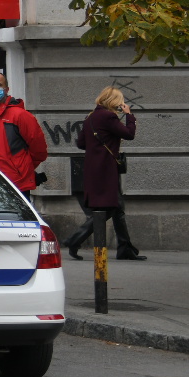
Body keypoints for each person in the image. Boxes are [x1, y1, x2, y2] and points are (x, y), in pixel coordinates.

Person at [68, 87, 144, 261]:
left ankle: (125, 248)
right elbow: (129, 134)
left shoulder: (90, 117)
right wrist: (129, 115)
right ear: (113, 101)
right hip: (106, 169)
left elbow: (81, 143)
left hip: (93, 169)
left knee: (117, 208)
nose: (121, 104)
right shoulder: (109, 117)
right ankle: (75, 240)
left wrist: (98, 145)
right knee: (109, 208)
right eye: (119, 100)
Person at [0, 71, 48, 205]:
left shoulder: (20, 116)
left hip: (17, 184)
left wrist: (21, 168)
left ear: (6, 89)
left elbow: (39, 150)